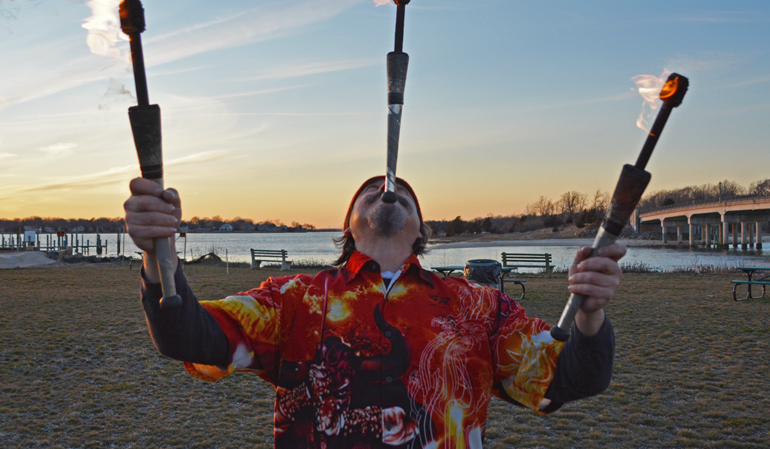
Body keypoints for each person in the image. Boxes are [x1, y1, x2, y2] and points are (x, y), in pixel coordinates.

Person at [125, 175, 624, 449]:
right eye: (372, 189)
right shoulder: (295, 298)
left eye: (405, 193)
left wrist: (589, 316)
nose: (389, 189)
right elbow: (189, 338)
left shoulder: (479, 305)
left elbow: (571, 378)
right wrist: (157, 256)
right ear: (347, 225)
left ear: (421, 232)